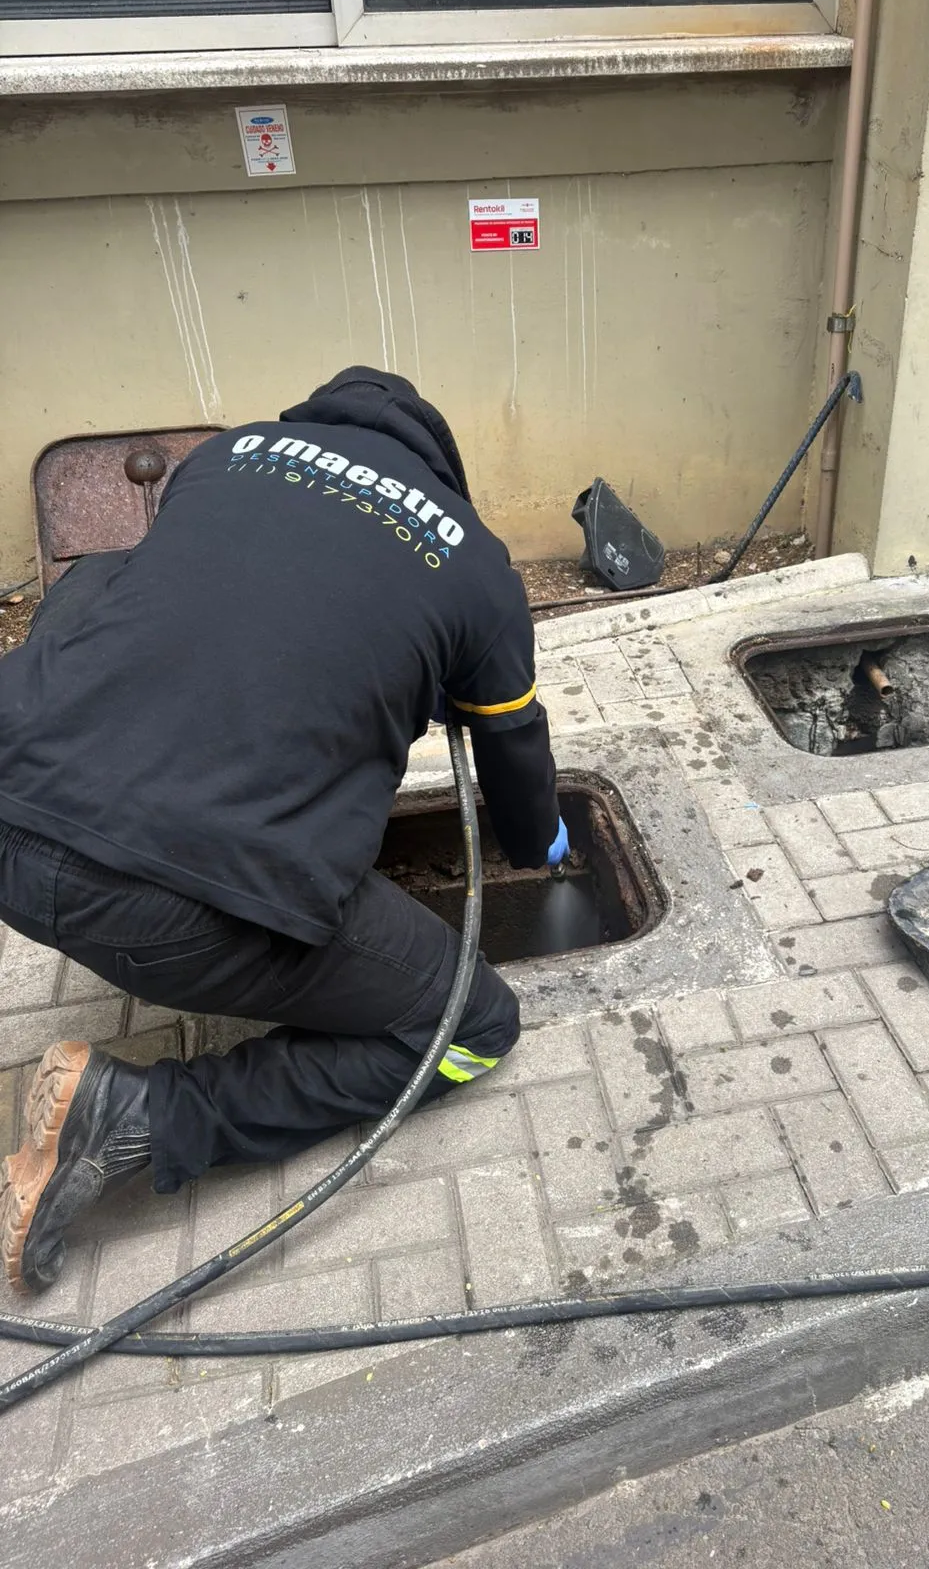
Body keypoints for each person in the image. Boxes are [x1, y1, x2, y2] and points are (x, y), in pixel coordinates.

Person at [0, 368, 567, 1293]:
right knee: (472, 1027)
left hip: (13, 813)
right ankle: (143, 1111)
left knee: (109, 573)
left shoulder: (225, 457)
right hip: (172, 902)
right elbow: (509, 736)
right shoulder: (472, 557)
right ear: (441, 470)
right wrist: (534, 834)